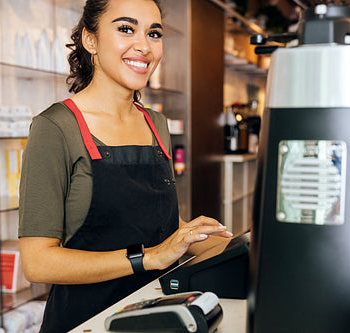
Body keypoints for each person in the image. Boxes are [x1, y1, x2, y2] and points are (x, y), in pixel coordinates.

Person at [17, 0, 233, 332]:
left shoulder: (156, 123)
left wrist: (236, 246)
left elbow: (159, 223)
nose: (144, 46)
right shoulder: (56, 127)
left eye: (154, 33)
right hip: (86, 321)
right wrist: (147, 258)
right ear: (91, 40)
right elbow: (37, 261)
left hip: (155, 312)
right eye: (125, 29)